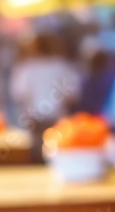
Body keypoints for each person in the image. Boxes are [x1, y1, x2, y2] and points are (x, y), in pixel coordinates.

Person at [10, 34, 82, 163]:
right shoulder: (62, 66)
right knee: (58, 153)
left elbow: (19, 95)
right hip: (58, 118)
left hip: (34, 118)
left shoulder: (26, 68)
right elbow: (74, 95)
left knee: (36, 157)